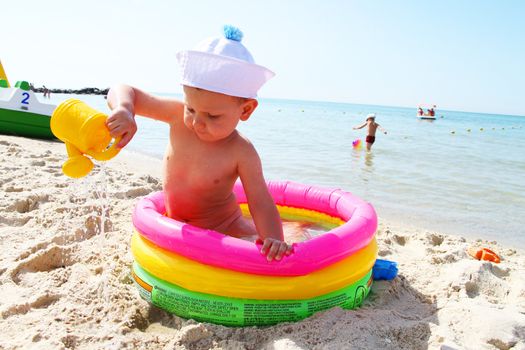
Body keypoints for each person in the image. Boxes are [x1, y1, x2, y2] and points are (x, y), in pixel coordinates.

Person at [106, 26, 292, 261]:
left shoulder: (241, 151)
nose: (197, 122)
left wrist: (274, 239)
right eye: (191, 109)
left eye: (212, 116)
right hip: (176, 224)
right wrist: (124, 108)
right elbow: (123, 89)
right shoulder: (176, 115)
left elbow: (260, 201)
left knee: (281, 239)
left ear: (245, 110)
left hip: (224, 228)